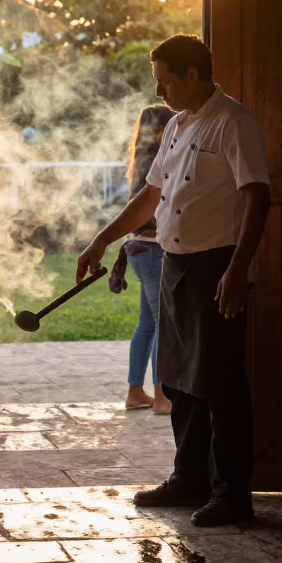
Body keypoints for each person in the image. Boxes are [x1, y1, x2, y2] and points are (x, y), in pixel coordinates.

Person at [77, 34, 271, 527]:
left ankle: (232, 495)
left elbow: (256, 197)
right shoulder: (178, 126)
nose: (160, 91)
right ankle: (189, 480)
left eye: (165, 80)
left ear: (192, 75)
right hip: (175, 262)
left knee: (220, 384)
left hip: (217, 265)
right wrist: (102, 237)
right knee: (179, 379)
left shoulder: (234, 123)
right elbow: (150, 195)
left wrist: (238, 266)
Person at [109, 105, 174, 413]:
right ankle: (162, 397)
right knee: (163, 323)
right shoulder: (157, 163)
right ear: (162, 130)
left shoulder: (141, 159)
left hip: (139, 249)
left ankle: (136, 392)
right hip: (153, 248)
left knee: (147, 324)